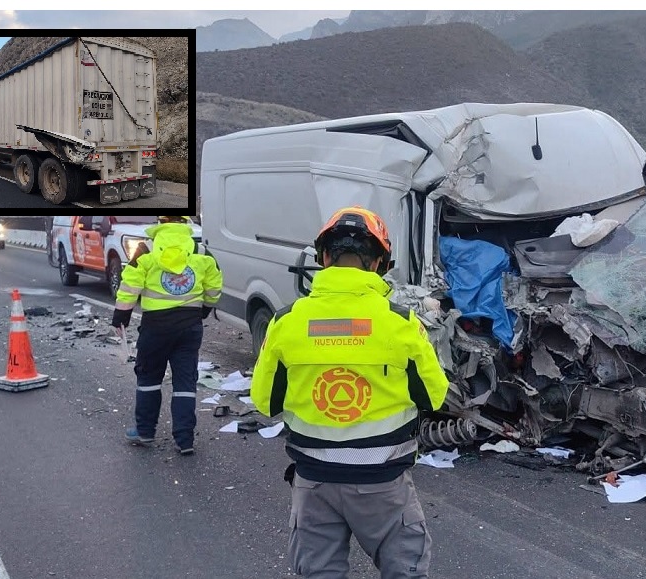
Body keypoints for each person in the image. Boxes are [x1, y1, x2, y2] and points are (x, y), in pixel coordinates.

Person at [250, 206, 449, 578]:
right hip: (383, 483)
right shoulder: (401, 323)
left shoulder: (285, 321)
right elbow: (433, 396)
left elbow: (265, 401)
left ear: (324, 258)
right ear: (378, 264)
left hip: (314, 482)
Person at [112, 216, 222, 455]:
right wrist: (204, 309)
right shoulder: (200, 251)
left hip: (156, 328)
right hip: (190, 327)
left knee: (149, 379)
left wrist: (121, 316)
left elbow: (130, 284)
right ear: (185, 223)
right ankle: (185, 440)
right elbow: (214, 287)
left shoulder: (146, 249)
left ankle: (145, 432)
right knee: (185, 382)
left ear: (161, 222)